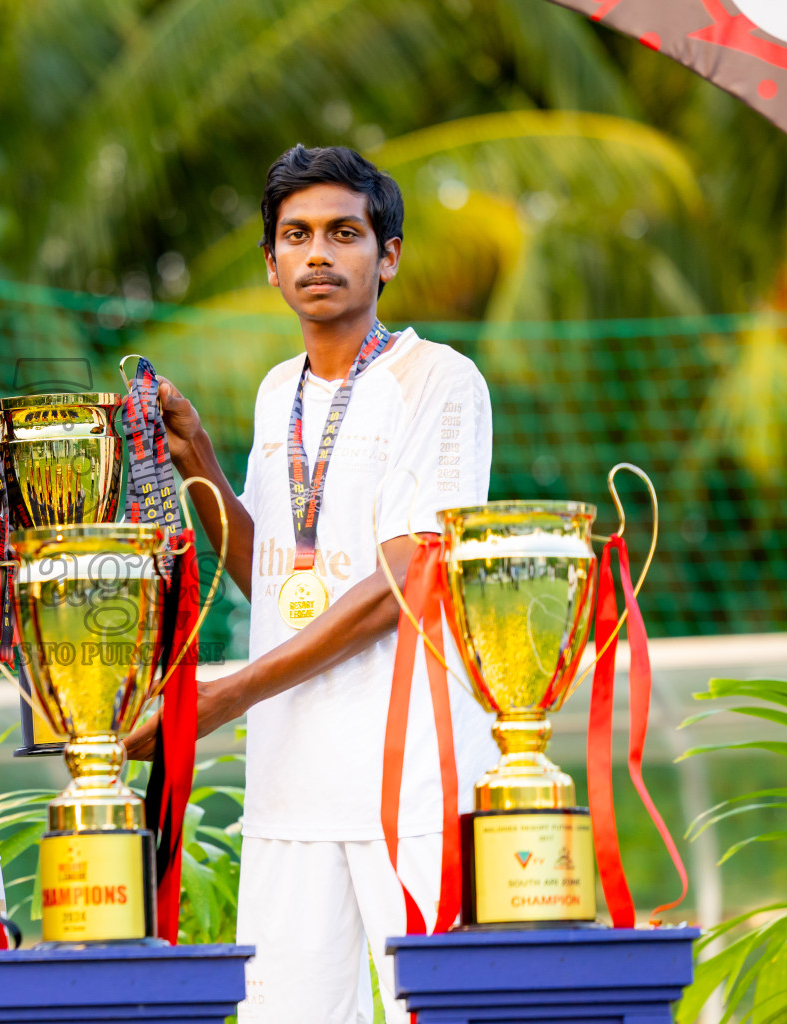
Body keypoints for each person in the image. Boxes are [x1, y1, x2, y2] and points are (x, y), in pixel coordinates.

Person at [128, 145, 498, 1024]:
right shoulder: (274, 392)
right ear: (271, 262)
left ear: (389, 254)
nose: (319, 254)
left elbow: (408, 576)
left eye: (345, 232)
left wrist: (226, 695)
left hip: (410, 779)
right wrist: (200, 462)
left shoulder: (439, 379)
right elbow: (278, 576)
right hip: (294, 779)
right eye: (296, 235)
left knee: (443, 1011)